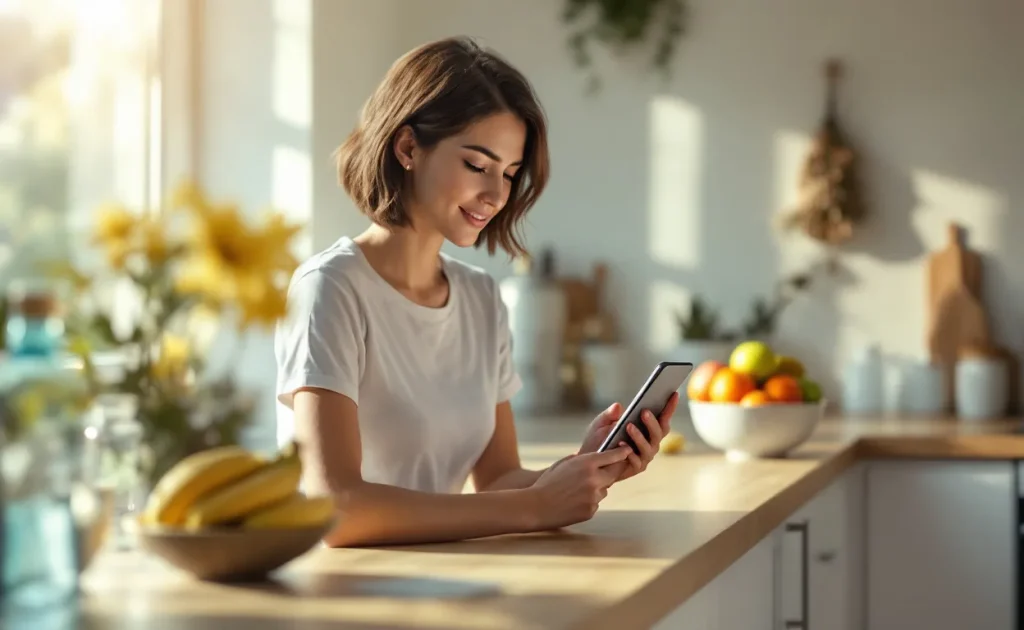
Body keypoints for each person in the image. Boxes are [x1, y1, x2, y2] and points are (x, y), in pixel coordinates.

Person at [274, 36, 679, 548]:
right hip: (340, 594)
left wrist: (584, 468)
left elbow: (497, 481)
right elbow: (335, 507)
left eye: (509, 174)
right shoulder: (329, 289)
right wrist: (534, 506)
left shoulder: (482, 298)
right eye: (476, 165)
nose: (496, 195)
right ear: (407, 148)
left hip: (440, 579)